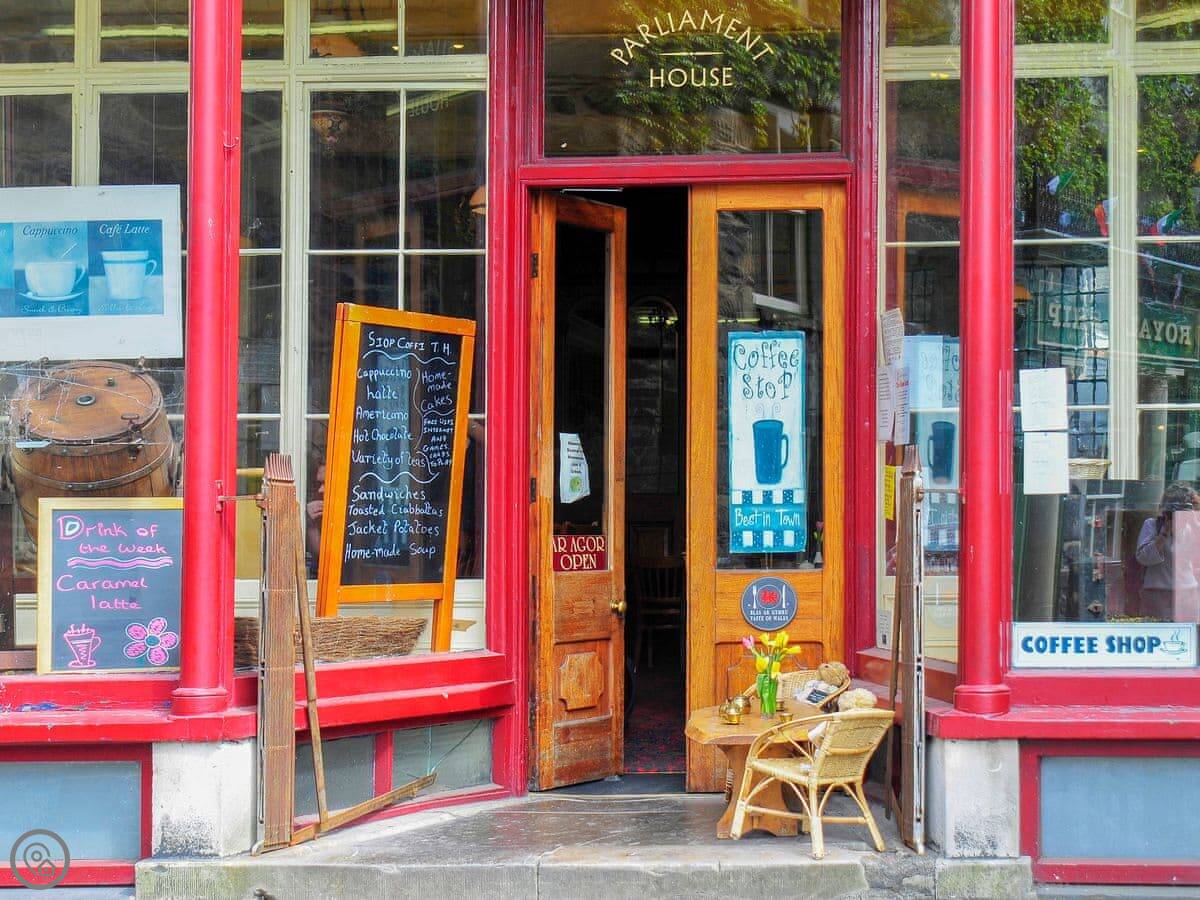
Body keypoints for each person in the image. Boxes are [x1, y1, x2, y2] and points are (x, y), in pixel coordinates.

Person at [1135, 482, 1200, 622]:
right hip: (1157, 592)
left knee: (1189, 632)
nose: (1179, 516)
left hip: (1187, 592)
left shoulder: (1192, 527)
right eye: (1174, 511)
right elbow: (1142, 558)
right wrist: (1163, 534)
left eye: (1184, 510)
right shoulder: (1153, 525)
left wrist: (1193, 520)